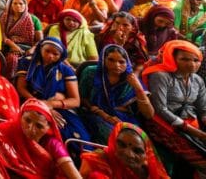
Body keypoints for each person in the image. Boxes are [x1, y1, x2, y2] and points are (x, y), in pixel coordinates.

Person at [0, 98, 81, 179]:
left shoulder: (53, 144)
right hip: (0, 175)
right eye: (27, 120)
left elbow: (74, 176)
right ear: (20, 116)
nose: (31, 128)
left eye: (39, 126)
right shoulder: (12, 128)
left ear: (48, 128)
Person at [142, 40, 206, 173]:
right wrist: (195, 132)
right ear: (172, 59)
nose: (192, 64)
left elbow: (203, 108)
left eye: (196, 60)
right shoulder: (160, 76)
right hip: (164, 124)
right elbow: (160, 109)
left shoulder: (197, 80)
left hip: (190, 123)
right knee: (200, 159)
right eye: (184, 59)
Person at [15, 38, 91, 150]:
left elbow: (75, 101)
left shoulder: (65, 70)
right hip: (30, 102)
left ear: (61, 56)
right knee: (39, 128)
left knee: (77, 136)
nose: (50, 56)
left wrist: (50, 104)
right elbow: (21, 88)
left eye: (55, 54)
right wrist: (42, 106)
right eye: (47, 51)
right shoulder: (27, 62)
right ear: (41, 48)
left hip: (57, 107)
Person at [80, 44, 154, 144]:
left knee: (138, 141)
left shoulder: (131, 79)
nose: (116, 65)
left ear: (127, 63)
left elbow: (149, 114)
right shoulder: (91, 73)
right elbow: (82, 98)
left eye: (121, 62)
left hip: (124, 118)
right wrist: (103, 114)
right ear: (103, 59)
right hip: (96, 114)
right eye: (111, 60)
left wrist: (138, 88)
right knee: (115, 139)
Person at [80, 122, 169, 179]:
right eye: (122, 145)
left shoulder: (152, 172)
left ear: (146, 155)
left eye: (137, 151)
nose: (128, 154)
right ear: (113, 142)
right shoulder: (96, 161)